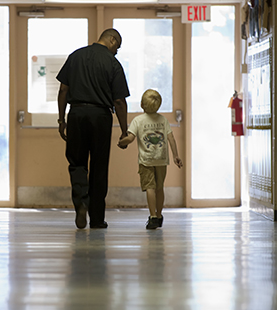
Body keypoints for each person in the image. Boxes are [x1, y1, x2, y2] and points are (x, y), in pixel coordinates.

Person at [57, 28, 130, 229]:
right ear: (112, 40)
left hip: (77, 114)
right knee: (99, 167)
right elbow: (119, 101)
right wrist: (124, 131)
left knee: (77, 163)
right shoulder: (113, 63)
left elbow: (63, 90)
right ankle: (97, 219)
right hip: (101, 117)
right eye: (118, 47)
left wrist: (62, 120)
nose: (116, 52)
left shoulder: (75, 56)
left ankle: (81, 202)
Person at [118, 89, 183, 229]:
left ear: (142, 104)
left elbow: (130, 138)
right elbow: (170, 138)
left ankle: (152, 216)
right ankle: (159, 216)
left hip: (146, 160)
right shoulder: (163, 120)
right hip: (161, 159)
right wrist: (176, 156)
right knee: (160, 188)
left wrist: (122, 142)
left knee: (150, 188)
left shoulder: (138, 120)